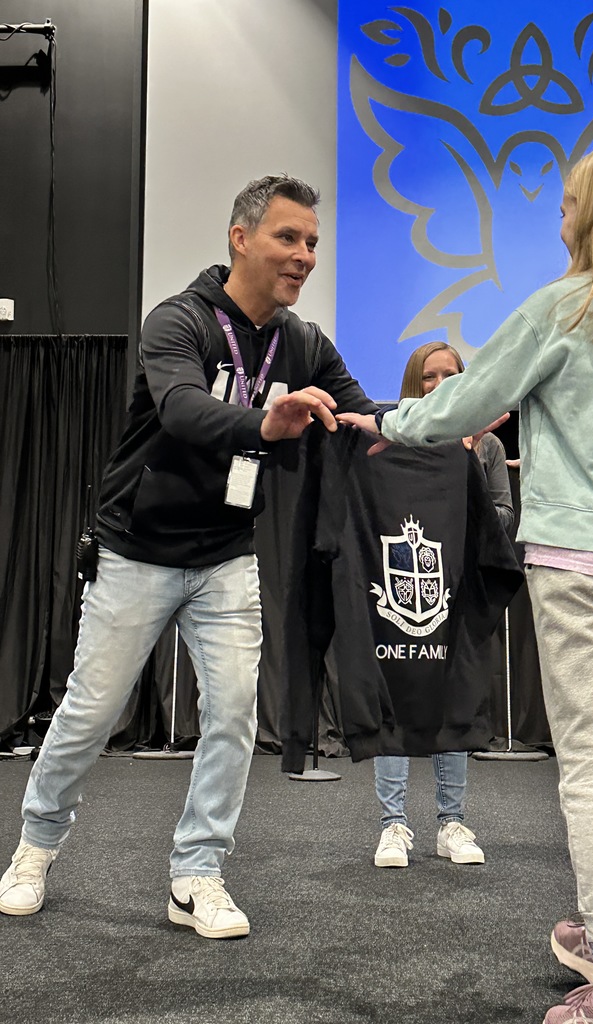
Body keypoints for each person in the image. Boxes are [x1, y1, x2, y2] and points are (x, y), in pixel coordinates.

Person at [339, 140, 593, 1024]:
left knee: (589, 768)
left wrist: (387, 418)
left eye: (573, 201)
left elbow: (463, 406)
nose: (562, 214)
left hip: (578, 561)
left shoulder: (562, 308)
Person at [0, 174, 375, 938]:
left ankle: (197, 872)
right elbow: (179, 408)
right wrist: (263, 425)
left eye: (312, 242)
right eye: (287, 238)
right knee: (89, 715)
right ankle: (34, 849)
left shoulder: (302, 341)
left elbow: (365, 412)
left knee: (235, 713)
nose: (304, 255)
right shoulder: (180, 320)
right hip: (136, 550)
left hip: (227, 553)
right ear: (241, 238)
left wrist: (450, 425)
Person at [373, 341, 515, 869]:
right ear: (413, 387)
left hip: (460, 593)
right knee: (396, 698)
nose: (438, 386)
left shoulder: (487, 448)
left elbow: (501, 518)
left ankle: (451, 822)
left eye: (449, 376)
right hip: (401, 591)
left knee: (453, 699)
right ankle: (393, 826)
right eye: (427, 378)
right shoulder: (390, 445)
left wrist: (467, 464)